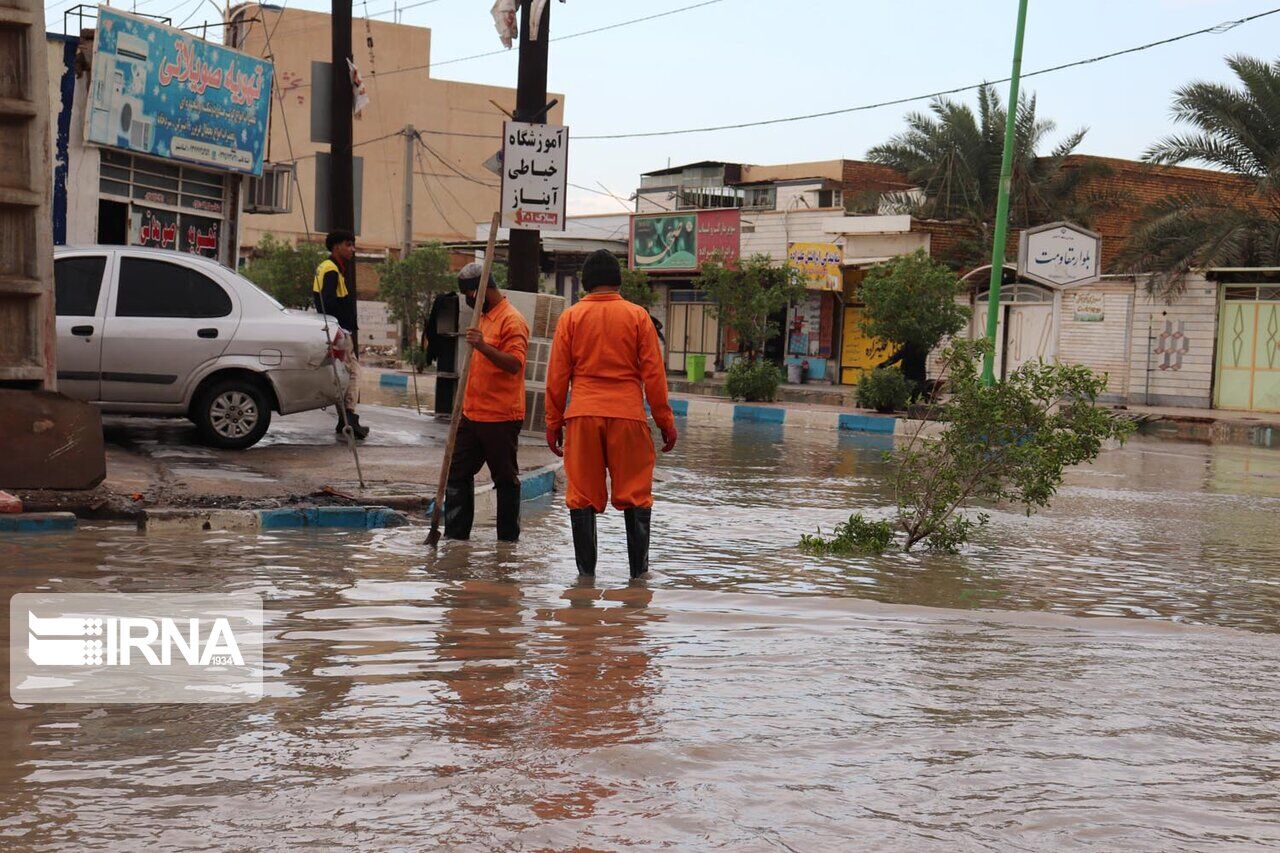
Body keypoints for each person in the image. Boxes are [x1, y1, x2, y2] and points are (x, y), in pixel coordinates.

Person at [545, 250, 678, 579]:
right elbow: (654, 377)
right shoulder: (637, 317)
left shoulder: (571, 318)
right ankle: (638, 581)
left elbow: (557, 377)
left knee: (581, 498)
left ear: (585, 284)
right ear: (618, 281)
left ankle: (584, 585)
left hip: (583, 416)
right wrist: (665, 423)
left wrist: (552, 423)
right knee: (636, 497)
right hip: (628, 416)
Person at [443, 262, 529, 542]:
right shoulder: (480, 317)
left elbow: (515, 364)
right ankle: (455, 539)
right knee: (457, 476)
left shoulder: (512, 320)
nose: (468, 300)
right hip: (472, 414)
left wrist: (482, 345)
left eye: (469, 293)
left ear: (480, 290)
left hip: (501, 416)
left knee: (505, 480)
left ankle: (507, 542)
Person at [313, 229, 368, 440]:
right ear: (336, 247)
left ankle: (345, 419)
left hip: (338, 330)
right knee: (353, 373)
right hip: (340, 331)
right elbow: (327, 302)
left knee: (345, 374)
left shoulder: (330, 267)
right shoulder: (331, 270)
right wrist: (341, 328)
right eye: (349, 245)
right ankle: (349, 419)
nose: (352, 249)